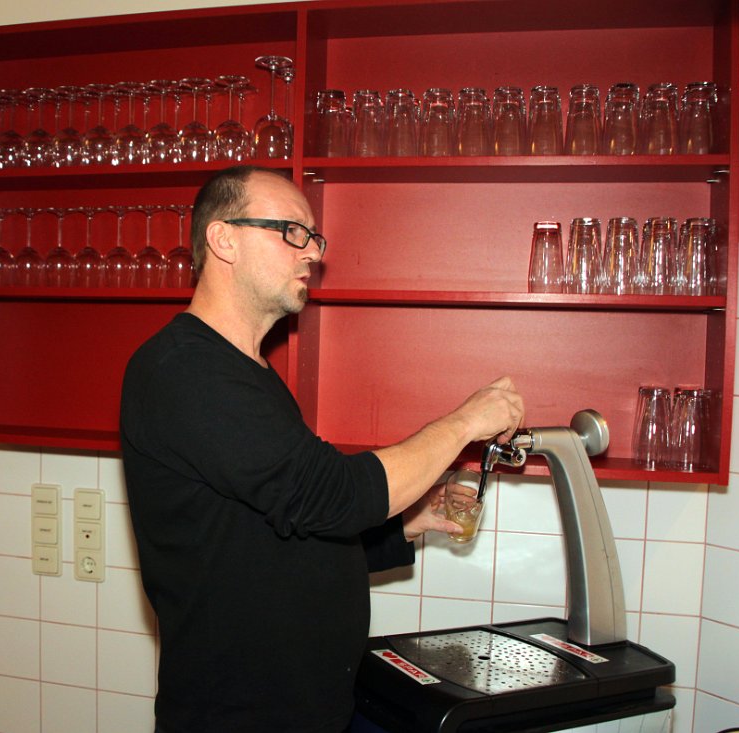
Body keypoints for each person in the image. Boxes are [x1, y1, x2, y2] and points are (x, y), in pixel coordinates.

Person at [120, 165, 524, 733]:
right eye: (292, 232)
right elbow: (334, 496)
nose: (311, 251)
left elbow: (283, 532)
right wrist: (465, 423)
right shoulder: (186, 370)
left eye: (313, 237)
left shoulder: (247, 371)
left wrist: (405, 525)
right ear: (223, 239)